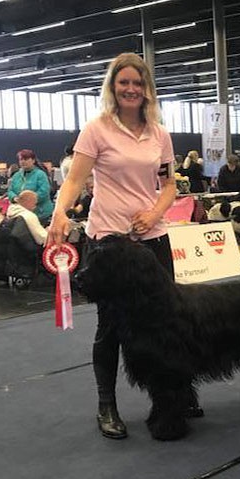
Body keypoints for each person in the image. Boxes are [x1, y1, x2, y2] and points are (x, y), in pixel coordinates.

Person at [47, 52, 183, 440]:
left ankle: (171, 397)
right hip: (108, 242)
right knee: (110, 328)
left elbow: (170, 185)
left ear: (147, 90)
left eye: (137, 83)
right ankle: (107, 405)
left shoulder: (159, 133)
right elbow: (75, 180)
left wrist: (155, 213)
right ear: (112, 87)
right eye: (123, 82)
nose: (131, 89)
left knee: (166, 323)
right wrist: (60, 212)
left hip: (152, 241)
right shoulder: (96, 129)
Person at [7, 149, 54, 224]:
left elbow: (44, 192)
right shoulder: (16, 176)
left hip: (40, 214)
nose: (23, 161)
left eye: (26, 159)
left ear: (33, 160)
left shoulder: (40, 174)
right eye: (21, 159)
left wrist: (28, 201)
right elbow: (10, 191)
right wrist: (15, 198)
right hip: (22, 214)